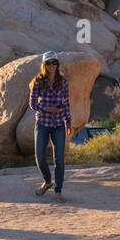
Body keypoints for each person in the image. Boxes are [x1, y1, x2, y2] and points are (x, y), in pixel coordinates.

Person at [29, 51, 71, 202]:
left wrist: (69, 122)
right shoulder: (38, 81)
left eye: (54, 63)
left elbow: (66, 103)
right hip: (42, 123)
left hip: (59, 124)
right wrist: (47, 109)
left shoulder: (64, 82)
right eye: (48, 63)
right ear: (44, 65)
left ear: (57, 65)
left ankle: (58, 190)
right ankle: (47, 181)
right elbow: (32, 104)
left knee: (59, 159)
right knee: (40, 156)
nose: (51, 66)